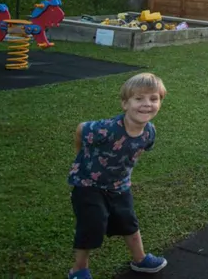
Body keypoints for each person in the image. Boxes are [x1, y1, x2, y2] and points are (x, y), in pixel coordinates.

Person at [67, 73, 168, 278]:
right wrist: (80, 157)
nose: (146, 104)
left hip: (120, 185)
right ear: (125, 103)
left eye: (153, 98)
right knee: (92, 225)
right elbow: (81, 129)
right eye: (139, 99)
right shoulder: (107, 129)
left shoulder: (150, 132)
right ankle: (79, 269)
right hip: (88, 184)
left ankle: (140, 259)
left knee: (128, 221)